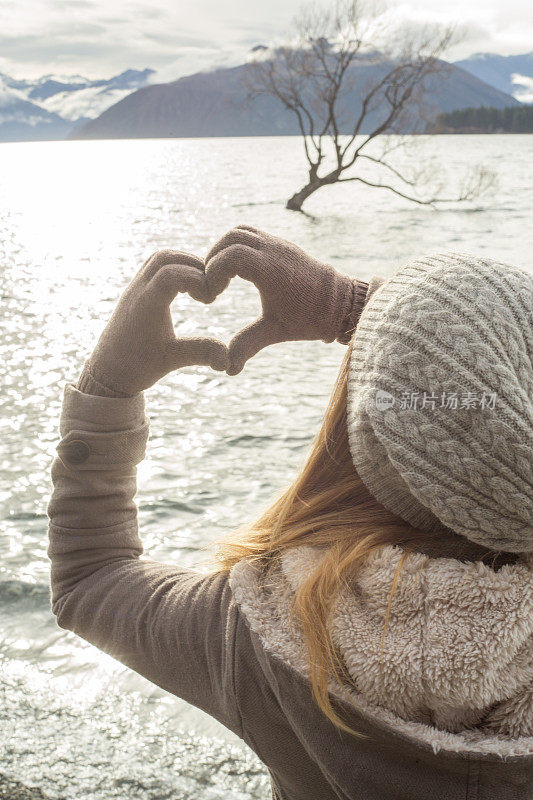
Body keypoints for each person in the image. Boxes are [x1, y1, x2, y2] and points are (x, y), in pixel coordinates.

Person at [46, 226, 533, 800]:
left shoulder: (257, 631)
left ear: (356, 433)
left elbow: (89, 577)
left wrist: (108, 389)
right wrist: (350, 305)